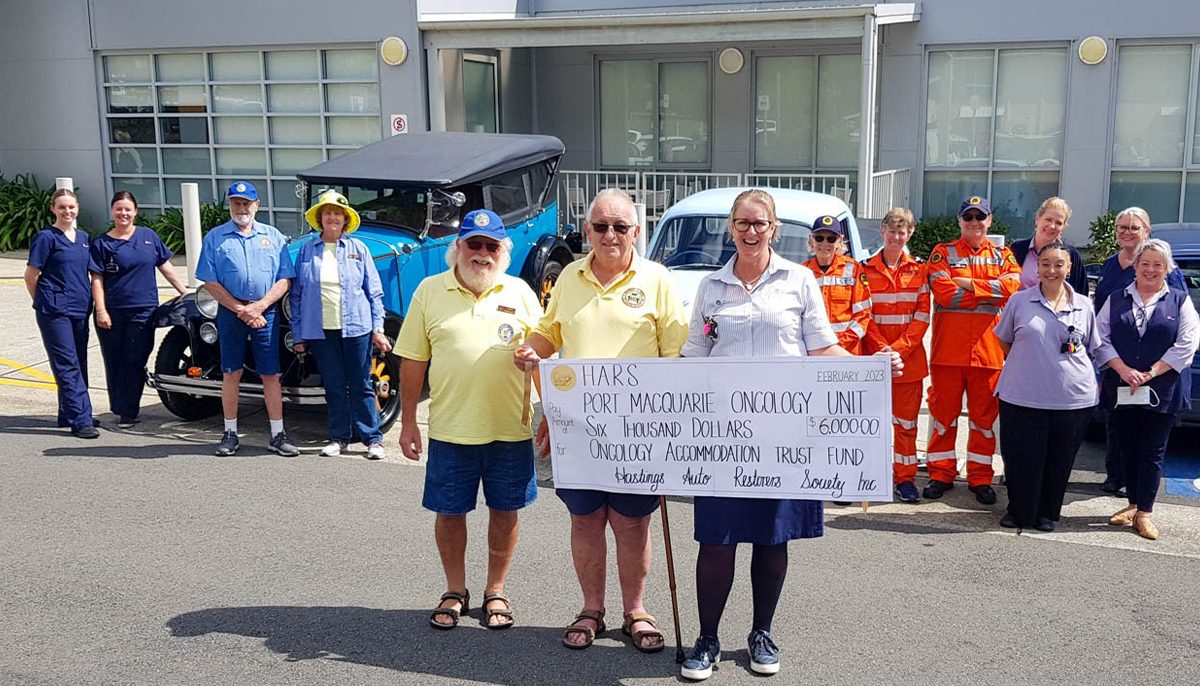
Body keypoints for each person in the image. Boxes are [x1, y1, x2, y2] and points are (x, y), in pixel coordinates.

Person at [678, 189, 901, 681]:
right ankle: (707, 638)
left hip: (785, 438)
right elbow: (694, 355)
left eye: (760, 223)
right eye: (742, 223)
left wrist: (872, 366)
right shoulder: (711, 286)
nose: (751, 231)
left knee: (771, 539)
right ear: (731, 227)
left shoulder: (799, 280)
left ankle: (761, 633)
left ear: (775, 228)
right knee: (716, 540)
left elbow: (822, 350)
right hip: (723, 438)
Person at [513, 188, 687, 653]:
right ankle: (592, 607)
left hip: (640, 430)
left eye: (620, 226)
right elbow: (549, 332)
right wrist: (535, 349)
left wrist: (671, 425)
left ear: (636, 231)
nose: (610, 235)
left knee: (632, 523)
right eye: (601, 226)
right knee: (586, 520)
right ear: (587, 229)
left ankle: (636, 610)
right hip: (580, 427)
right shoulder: (569, 277)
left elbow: (675, 354)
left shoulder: (658, 280)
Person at [396, 209, 544, 630]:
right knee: (449, 512)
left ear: (503, 251)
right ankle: (455, 589)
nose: (482, 254)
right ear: (457, 247)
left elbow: (542, 353)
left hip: (509, 429)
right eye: (473, 244)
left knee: (506, 510)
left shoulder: (521, 292)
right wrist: (408, 422)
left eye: (491, 246)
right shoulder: (429, 291)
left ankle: (495, 589)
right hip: (450, 427)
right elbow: (413, 361)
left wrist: (546, 400)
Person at [1095, 239, 1199, 540]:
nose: (1150, 269)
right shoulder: (1117, 298)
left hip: (1162, 388)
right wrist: (1124, 371)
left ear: (1167, 269)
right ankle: (1131, 504)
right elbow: (1100, 339)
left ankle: (1145, 513)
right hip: (1123, 386)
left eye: (1157, 265)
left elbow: (1187, 344)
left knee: (1152, 451)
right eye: (1145, 263)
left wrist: (1151, 372)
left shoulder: (1180, 301)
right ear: (1136, 267)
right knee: (1127, 447)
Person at [992, 242, 1099, 531]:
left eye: (1059, 264)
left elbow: (1092, 346)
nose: (1052, 270)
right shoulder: (1019, 301)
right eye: (1045, 264)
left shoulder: (1084, 306)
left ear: (1070, 268)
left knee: (1059, 459)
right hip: (1021, 394)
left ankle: (1046, 512)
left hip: (1072, 399)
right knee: (1019, 457)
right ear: (1037, 267)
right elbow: (1004, 339)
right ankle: (1018, 510)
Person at [924, 196, 1021, 504]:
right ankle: (941, 473)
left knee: (983, 421)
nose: (975, 222)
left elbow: (1011, 288)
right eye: (969, 217)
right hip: (948, 353)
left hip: (988, 352)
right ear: (960, 221)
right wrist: (986, 292)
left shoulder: (1003, 255)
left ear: (990, 221)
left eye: (981, 217)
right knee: (943, 416)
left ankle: (980, 478)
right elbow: (944, 293)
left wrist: (965, 282)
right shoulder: (943, 253)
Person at [195, 181, 297, 456]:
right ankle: (229, 433)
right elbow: (209, 281)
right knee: (231, 372)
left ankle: (277, 435)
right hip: (231, 313)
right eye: (236, 202)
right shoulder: (215, 238)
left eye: (246, 203)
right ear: (229, 205)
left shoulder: (273, 236)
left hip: (267, 313)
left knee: (271, 374)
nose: (241, 208)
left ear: (257, 205)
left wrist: (260, 306)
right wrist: (241, 310)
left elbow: (284, 279)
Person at [1092, 207, 1186, 494]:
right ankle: (1115, 475)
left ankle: (1137, 493)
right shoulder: (1110, 264)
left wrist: (1151, 370)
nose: (1127, 232)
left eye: (1134, 227)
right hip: (1115, 360)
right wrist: (1112, 360)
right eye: (1122, 227)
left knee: (1146, 436)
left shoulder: (1166, 270)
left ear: (1147, 230)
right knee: (1116, 422)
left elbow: (1178, 312)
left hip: (1153, 366)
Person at [289, 190, 389, 460]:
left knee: (361, 384)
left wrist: (377, 328)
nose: (332, 218)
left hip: (357, 327)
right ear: (320, 219)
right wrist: (298, 334)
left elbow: (374, 292)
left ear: (345, 220)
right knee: (333, 385)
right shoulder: (307, 251)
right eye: (327, 213)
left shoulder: (359, 249)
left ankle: (372, 439)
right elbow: (297, 296)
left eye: (337, 214)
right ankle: (338, 438)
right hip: (320, 330)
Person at [90, 191, 188, 427]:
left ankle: (128, 405)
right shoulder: (101, 243)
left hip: (143, 311)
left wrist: (184, 292)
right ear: (112, 211)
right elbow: (97, 279)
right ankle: (124, 409)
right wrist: (101, 310)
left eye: (127, 209)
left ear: (135, 212)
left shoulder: (148, 237)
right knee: (115, 360)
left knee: (135, 358)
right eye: (118, 209)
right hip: (112, 312)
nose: (123, 213)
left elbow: (166, 267)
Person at [862, 208, 930, 503]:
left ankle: (905, 480)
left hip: (908, 364)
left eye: (902, 232)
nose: (896, 237)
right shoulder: (863, 269)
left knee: (906, 427)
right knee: (868, 425)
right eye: (891, 231)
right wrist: (882, 350)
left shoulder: (920, 270)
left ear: (910, 234)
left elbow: (923, 316)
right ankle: (867, 476)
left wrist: (898, 349)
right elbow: (863, 314)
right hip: (871, 362)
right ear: (882, 232)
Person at [24, 189, 100, 438]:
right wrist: (45, 301)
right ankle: (81, 419)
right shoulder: (46, 238)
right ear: (53, 209)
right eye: (62, 207)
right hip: (54, 311)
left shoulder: (84, 238)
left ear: (77, 209)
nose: (67, 212)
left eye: (71, 207)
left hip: (80, 307)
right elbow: (31, 275)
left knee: (79, 360)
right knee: (66, 363)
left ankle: (69, 412)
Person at [801, 215, 872, 354]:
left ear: (839, 242)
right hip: (815, 352)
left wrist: (839, 344)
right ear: (811, 241)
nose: (825, 244)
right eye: (819, 238)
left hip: (848, 351)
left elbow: (863, 314)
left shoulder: (853, 269)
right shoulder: (802, 272)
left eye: (831, 239)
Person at [1009, 197, 1088, 293]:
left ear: (1063, 227)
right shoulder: (1017, 249)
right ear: (1037, 218)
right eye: (1048, 219)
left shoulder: (1071, 255)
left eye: (1058, 223)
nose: (1052, 226)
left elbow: (1081, 294)